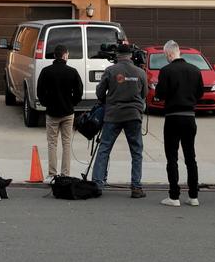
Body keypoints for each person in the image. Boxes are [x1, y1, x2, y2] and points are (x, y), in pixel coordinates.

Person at [92, 43, 148, 198]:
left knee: (104, 149)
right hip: (133, 116)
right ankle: (136, 187)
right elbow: (144, 94)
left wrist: (108, 99)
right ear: (130, 56)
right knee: (136, 152)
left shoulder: (111, 71)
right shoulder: (140, 72)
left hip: (113, 115)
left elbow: (100, 92)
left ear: (117, 55)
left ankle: (97, 184)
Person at [155, 40, 204, 207]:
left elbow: (160, 94)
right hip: (190, 117)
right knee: (191, 157)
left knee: (172, 158)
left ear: (169, 54)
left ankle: (174, 196)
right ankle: (193, 196)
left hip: (173, 117)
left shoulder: (166, 71)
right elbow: (200, 93)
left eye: (165, 55)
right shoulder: (195, 70)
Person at [36, 44, 83, 181]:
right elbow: (79, 91)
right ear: (64, 55)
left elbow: (40, 91)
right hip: (68, 112)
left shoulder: (46, 71)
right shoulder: (72, 72)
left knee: (52, 143)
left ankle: (52, 174)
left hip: (52, 112)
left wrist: (46, 103)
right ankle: (65, 173)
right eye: (67, 54)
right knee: (66, 143)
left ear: (55, 55)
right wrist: (72, 102)